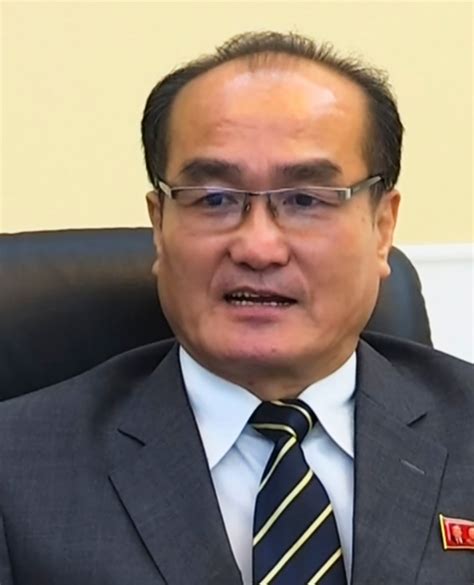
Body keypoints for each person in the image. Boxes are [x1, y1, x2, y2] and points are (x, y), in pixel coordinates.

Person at [0, 31, 473, 585]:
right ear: (159, 225)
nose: (258, 248)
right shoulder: (16, 470)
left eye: (305, 200)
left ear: (381, 228)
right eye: (215, 199)